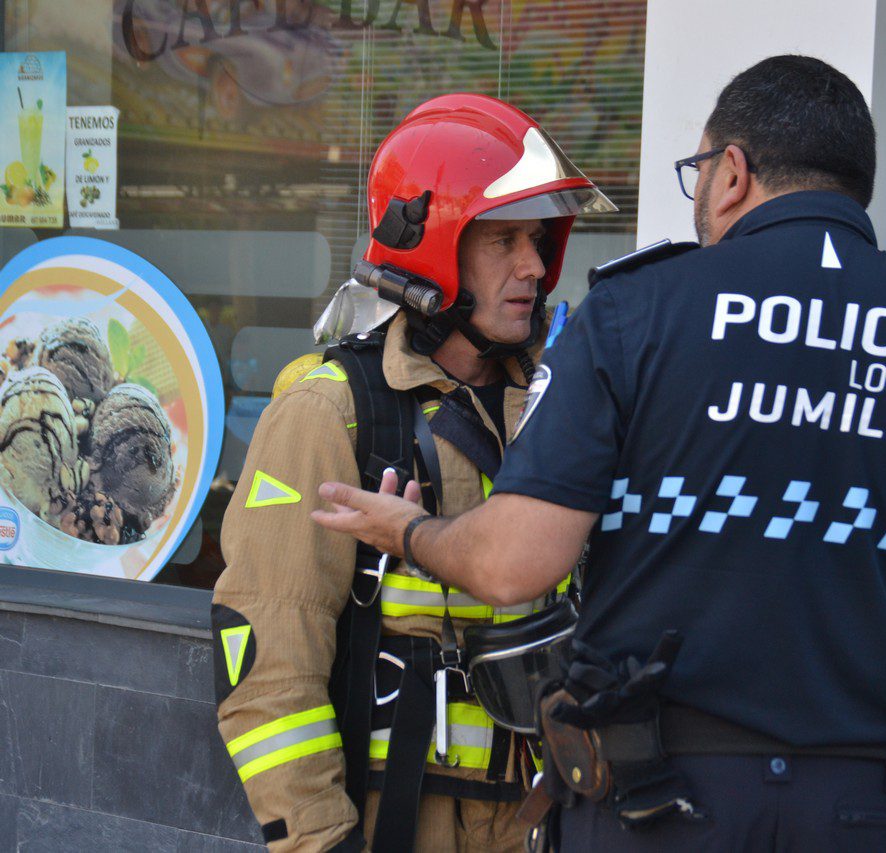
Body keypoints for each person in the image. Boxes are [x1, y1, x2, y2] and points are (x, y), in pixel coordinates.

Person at [313, 56, 886, 851]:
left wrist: (410, 531)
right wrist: (879, 551)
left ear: (731, 173)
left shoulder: (633, 312)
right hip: (882, 808)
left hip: (659, 806)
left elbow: (516, 562)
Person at [211, 93, 615, 852]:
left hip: (553, 814)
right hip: (404, 820)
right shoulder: (330, 413)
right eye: (502, 240)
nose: (534, 265)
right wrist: (323, 842)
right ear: (432, 244)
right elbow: (270, 663)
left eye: (538, 238)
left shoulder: (565, 403)